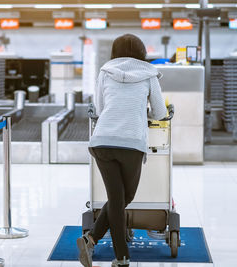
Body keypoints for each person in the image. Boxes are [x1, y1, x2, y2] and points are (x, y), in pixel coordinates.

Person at [76, 34, 167, 267]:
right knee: (123, 198)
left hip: (103, 141)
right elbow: (158, 112)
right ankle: (122, 257)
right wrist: (140, 111)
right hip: (131, 142)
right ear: (142, 51)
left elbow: (100, 107)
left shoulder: (105, 72)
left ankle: (91, 239)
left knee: (118, 198)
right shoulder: (149, 73)